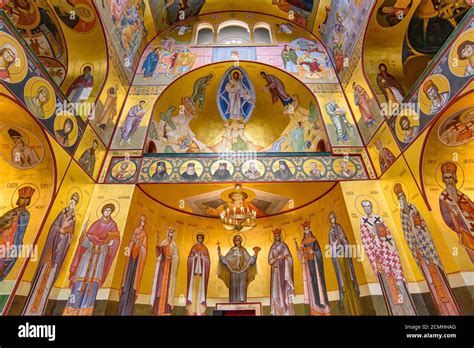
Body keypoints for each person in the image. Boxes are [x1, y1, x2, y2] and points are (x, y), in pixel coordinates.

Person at [394, 184, 461, 315]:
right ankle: (440, 309)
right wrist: (414, 246)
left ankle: (451, 309)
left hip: (426, 246)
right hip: (417, 249)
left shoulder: (413, 208)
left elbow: (422, 225)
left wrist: (419, 231)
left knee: (436, 273)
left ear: (405, 196)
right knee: (429, 278)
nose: (401, 199)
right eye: (399, 197)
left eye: (402, 195)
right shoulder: (401, 214)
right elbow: (406, 233)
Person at [23, 192, 79, 315]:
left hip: (61, 247)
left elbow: (71, 234)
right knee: (44, 273)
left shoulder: (73, 218)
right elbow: (54, 226)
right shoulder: (62, 212)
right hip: (52, 247)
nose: (72, 203)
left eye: (75, 202)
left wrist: (68, 233)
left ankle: (40, 309)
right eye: (72, 201)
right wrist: (59, 230)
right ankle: (29, 309)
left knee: (51, 273)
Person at [359, 199, 416, 315]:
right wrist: (375, 258)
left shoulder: (379, 219)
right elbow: (366, 242)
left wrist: (391, 249)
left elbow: (388, 235)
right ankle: (396, 309)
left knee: (398, 279)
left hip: (389, 252)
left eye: (369, 206)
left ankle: (407, 308)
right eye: (365, 207)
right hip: (378, 256)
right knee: (388, 281)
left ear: (372, 206)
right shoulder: (363, 221)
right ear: (363, 208)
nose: (367, 208)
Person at [63, 203, 120, 315]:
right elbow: (84, 243)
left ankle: (86, 312)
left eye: (109, 210)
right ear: (103, 211)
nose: (107, 212)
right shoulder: (95, 224)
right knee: (79, 284)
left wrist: (110, 243)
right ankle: (71, 310)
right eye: (106, 210)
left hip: (99, 260)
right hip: (87, 258)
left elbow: (115, 242)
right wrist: (84, 235)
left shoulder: (113, 226)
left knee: (93, 286)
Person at [438, 162, 474, 262]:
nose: (448, 181)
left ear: (454, 178)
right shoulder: (443, 197)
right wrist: (454, 215)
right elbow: (446, 217)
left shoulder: (462, 195)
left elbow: (472, 208)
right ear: (443, 179)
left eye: (450, 177)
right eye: (446, 178)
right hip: (464, 231)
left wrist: (470, 213)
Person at [328, 212, 361, 314]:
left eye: (334, 217)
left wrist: (341, 240)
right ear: (330, 220)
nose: (333, 219)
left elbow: (344, 239)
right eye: (331, 218)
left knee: (348, 275)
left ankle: (353, 292)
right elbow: (330, 245)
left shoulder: (339, 227)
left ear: (335, 218)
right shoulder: (330, 231)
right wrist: (334, 243)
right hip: (338, 256)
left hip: (344, 253)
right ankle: (344, 295)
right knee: (342, 276)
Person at [295, 221, 330, 315]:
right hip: (308, 265)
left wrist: (313, 252)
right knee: (312, 283)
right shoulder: (303, 242)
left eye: (307, 229)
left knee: (318, 282)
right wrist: (297, 248)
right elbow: (300, 256)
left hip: (315, 263)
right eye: (305, 230)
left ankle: (323, 304)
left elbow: (319, 251)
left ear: (310, 229)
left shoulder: (314, 239)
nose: (306, 231)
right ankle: (315, 305)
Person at [0, 186, 35, 281]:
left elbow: (21, 230)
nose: (24, 201)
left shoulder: (26, 214)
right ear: (19, 199)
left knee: (2, 264)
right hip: (1, 239)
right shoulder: (11, 212)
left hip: (11, 243)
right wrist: (5, 225)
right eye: (23, 198)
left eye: (27, 198)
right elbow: (1, 223)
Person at [118, 214, 148, 315]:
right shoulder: (135, 230)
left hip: (137, 262)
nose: (142, 222)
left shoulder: (144, 234)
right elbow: (130, 242)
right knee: (126, 283)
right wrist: (133, 243)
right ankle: (121, 310)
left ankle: (128, 311)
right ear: (139, 221)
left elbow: (144, 248)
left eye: (144, 221)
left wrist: (140, 247)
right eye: (141, 220)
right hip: (131, 259)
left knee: (133, 284)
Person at [217, 235, 260, 303]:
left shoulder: (243, 250)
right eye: (236, 240)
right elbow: (225, 260)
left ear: (241, 241)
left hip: (243, 272)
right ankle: (233, 302)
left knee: (242, 287)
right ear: (234, 241)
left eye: (239, 240)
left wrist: (255, 254)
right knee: (234, 287)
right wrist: (220, 254)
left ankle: (242, 301)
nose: (237, 241)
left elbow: (250, 261)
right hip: (233, 272)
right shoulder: (232, 250)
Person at [151, 226, 179, 315]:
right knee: (159, 287)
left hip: (169, 267)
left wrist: (171, 257)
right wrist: (157, 244)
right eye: (170, 232)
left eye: (172, 232)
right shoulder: (163, 242)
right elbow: (158, 254)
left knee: (168, 287)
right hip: (162, 267)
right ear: (167, 233)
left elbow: (177, 257)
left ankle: (166, 310)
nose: (171, 233)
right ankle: (156, 310)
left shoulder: (174, 245)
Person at [268, 228, 295, 315]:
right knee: (275, 291)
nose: (277, 237)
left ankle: (285, 309)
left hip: (283, 272)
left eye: (278, 236)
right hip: (275, 272)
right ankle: (277, 311)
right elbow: (270, 261)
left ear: (280, 236)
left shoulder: (284, 246)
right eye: (275, 236)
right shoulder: (272, 247)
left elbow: (290, 258)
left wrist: (284, 257)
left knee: (283, 290)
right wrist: (276, 258)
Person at [186, 233, 210, 316]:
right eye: (198, 238)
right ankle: (192, 310)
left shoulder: (205, 249)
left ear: (202, 239)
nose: (200, 239)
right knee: (193, 292)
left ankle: (200, 310)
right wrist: (194, 258)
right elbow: (189, 259)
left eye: (201, 238)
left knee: (200, 292)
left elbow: (208, 262)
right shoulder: (193, 247)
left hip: (201, 277)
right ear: (197, 238)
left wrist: (203, 259)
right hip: (194, 276)